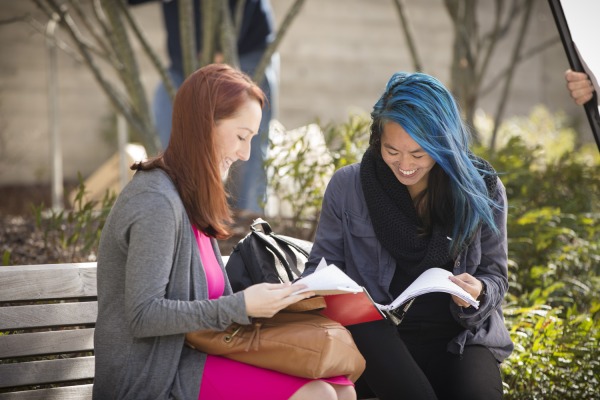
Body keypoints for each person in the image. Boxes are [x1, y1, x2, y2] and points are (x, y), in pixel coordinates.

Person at [92, 64, 356, 400]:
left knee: (339, 388)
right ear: (205, 125)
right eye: (241, 136)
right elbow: (144, 315)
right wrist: (241, 304)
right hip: (154, 377)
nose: (245, 153)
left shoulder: (189, 197)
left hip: (194, 359)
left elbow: (213, 305)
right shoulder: (155, 200)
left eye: (252, 139)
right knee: (318, 395)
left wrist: (279, 300)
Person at [303, 72, 513, 400]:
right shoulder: (349, 187)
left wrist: (480, 290)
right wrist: (342, 295)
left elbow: (496, 275)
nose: (404, 165)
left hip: (459, 338)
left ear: (444, 144)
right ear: (378, 140)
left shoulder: (481, 189)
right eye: (392, 151)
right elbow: (318, 273)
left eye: (418, 154)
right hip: (377, 339)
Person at [129, 0, 278, 215]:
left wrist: (222, 48)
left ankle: (249, 228)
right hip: (183, 57)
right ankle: (186, 215)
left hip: (245, 46)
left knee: (248, 154)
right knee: (168, 127)